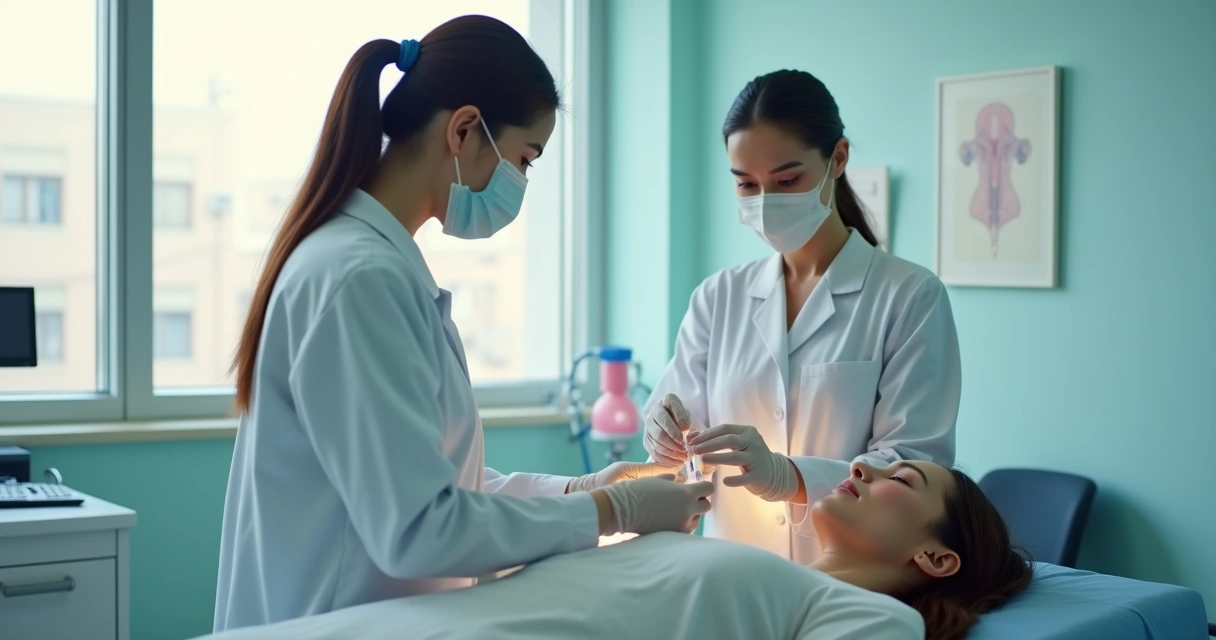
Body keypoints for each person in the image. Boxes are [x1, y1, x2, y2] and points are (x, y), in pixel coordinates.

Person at [214, 16, 712, 632]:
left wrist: (585, 490)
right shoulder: (359, 278)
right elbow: (420, 530)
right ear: (465, 129)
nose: (520, 184)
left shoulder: (373, 264)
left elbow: (440, 488)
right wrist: (612, 511)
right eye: (525, 160)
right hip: (336, 619)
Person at [644, 69, 962, 564]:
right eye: (747, 184)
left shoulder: (909, 296)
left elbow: (914, 465)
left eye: (787, 180)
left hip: (852, 575)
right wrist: (664, 432)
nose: (766, 202)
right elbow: (683, 430)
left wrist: (788, 477)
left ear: (838, 158)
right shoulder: (718, 297)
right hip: (734, 571)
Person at [199, 462, 1033, 640]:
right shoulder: (769, 572)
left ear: (937, 560)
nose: (861, 464)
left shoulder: (868, 616)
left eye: (901, 477)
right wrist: (611, 500)